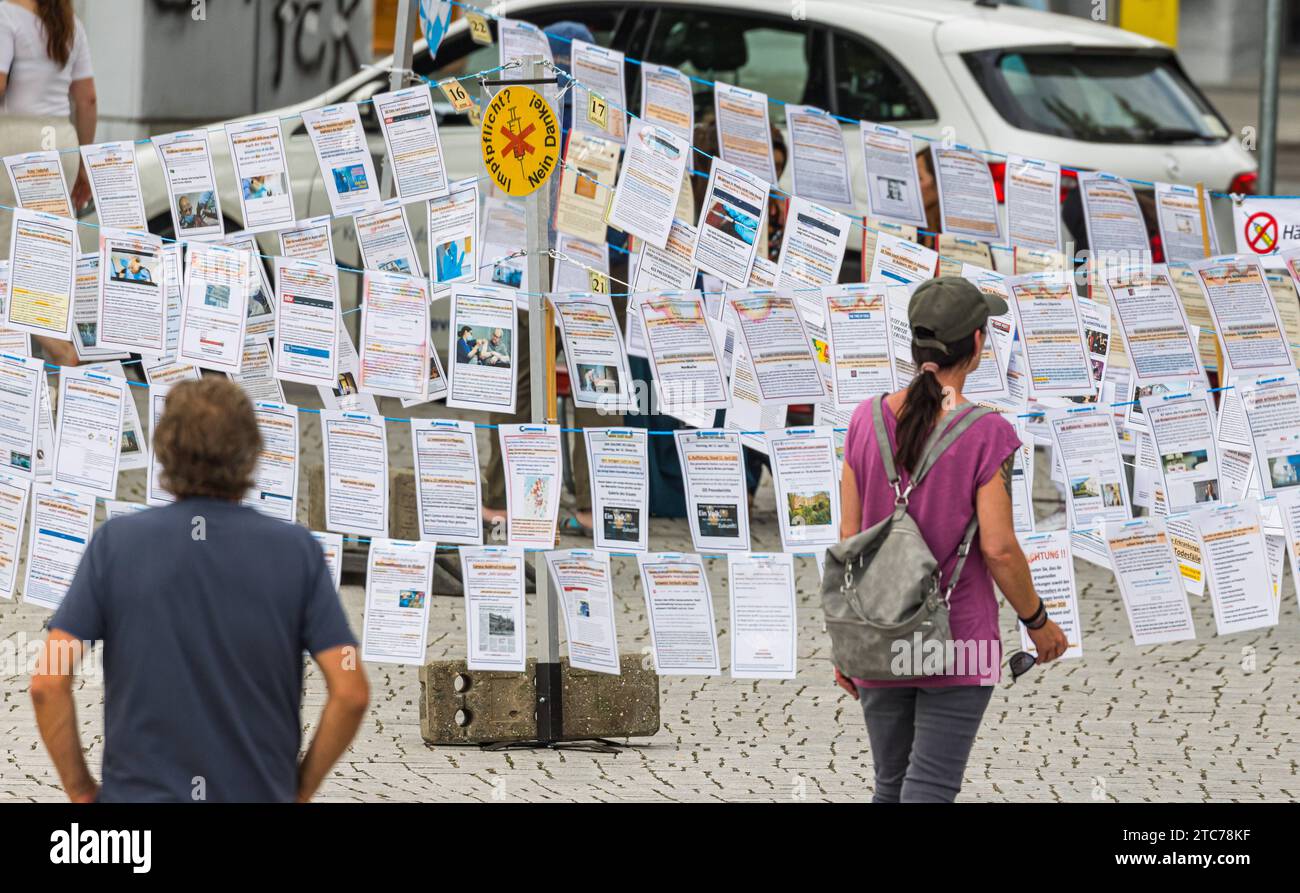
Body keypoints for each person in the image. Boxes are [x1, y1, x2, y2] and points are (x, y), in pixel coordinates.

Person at [29, 378, 369, 802]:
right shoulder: (295, 552)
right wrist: (299, 789)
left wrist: (80, 790)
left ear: (165, 449)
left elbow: (48, 681)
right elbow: (351, 691)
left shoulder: (117, 545)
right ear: (251, 452)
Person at [836, 276, 1068, 803]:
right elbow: (999, 549)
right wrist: (1038, 621)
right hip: (959, 640)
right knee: (931, 788)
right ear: (979, 344)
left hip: (878, 631)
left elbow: (849, 539)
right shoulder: (987, 434)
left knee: (891, 786)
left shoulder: (862, 421)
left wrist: (847, 639)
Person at [0, 0, 96, 367]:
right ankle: (45, 370)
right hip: (60, 141)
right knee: (44, 255)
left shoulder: (6, 14)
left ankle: (56, 348)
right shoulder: (69, 24)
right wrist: (84, 163)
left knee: (8, 258)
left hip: (15, 140)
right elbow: (87, 99)